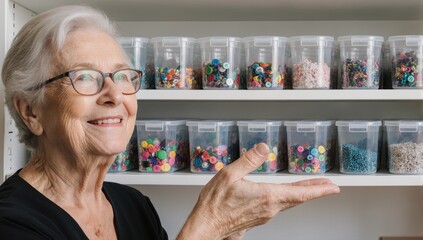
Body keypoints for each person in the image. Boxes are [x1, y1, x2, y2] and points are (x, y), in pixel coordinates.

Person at [0, 5, 340, 240]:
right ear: (31, 111)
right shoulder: (12, 222)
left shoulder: (132, 205)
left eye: (122, 76)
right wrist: (205, 226)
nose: (114, 95)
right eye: (85, 77)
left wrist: (227, 229)